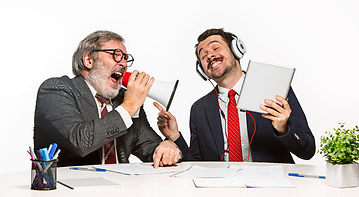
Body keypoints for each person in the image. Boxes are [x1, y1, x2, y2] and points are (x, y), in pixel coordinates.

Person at [155, 28, 315, 163]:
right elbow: (197, 166)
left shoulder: (274, 88)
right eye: (203, 56)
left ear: (236, 49)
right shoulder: (199, 109)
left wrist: (283, 128)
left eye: (216, 48)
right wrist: (175, 136)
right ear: (202, 70)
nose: (209, 55)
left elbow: (307, 151)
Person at [34, 30, 180, 168]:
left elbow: (150, 148)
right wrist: (129, 106)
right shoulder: (56, 89)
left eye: (125, 58)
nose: (123, 64)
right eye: (116, 55)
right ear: (89, 60)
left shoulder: (123, 100)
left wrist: (169, 145)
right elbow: (80, 142)